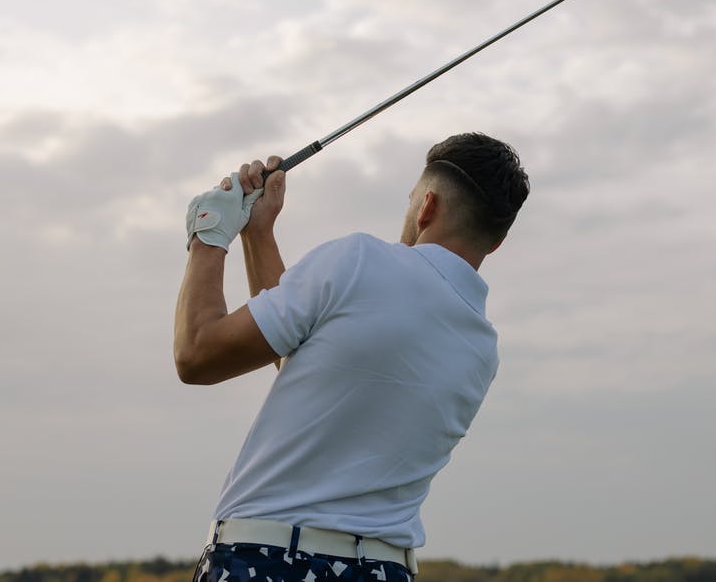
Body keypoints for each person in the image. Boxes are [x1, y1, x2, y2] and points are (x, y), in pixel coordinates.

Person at [173, 133, 530, 582]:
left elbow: (197, 354)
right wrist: (259, 235)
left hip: (268, 559)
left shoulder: (358, 259)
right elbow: (307, 363)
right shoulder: (483, 348)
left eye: (409, 202)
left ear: (427, 207)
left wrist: (209, 231)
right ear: (494, 244)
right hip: (385, 570)